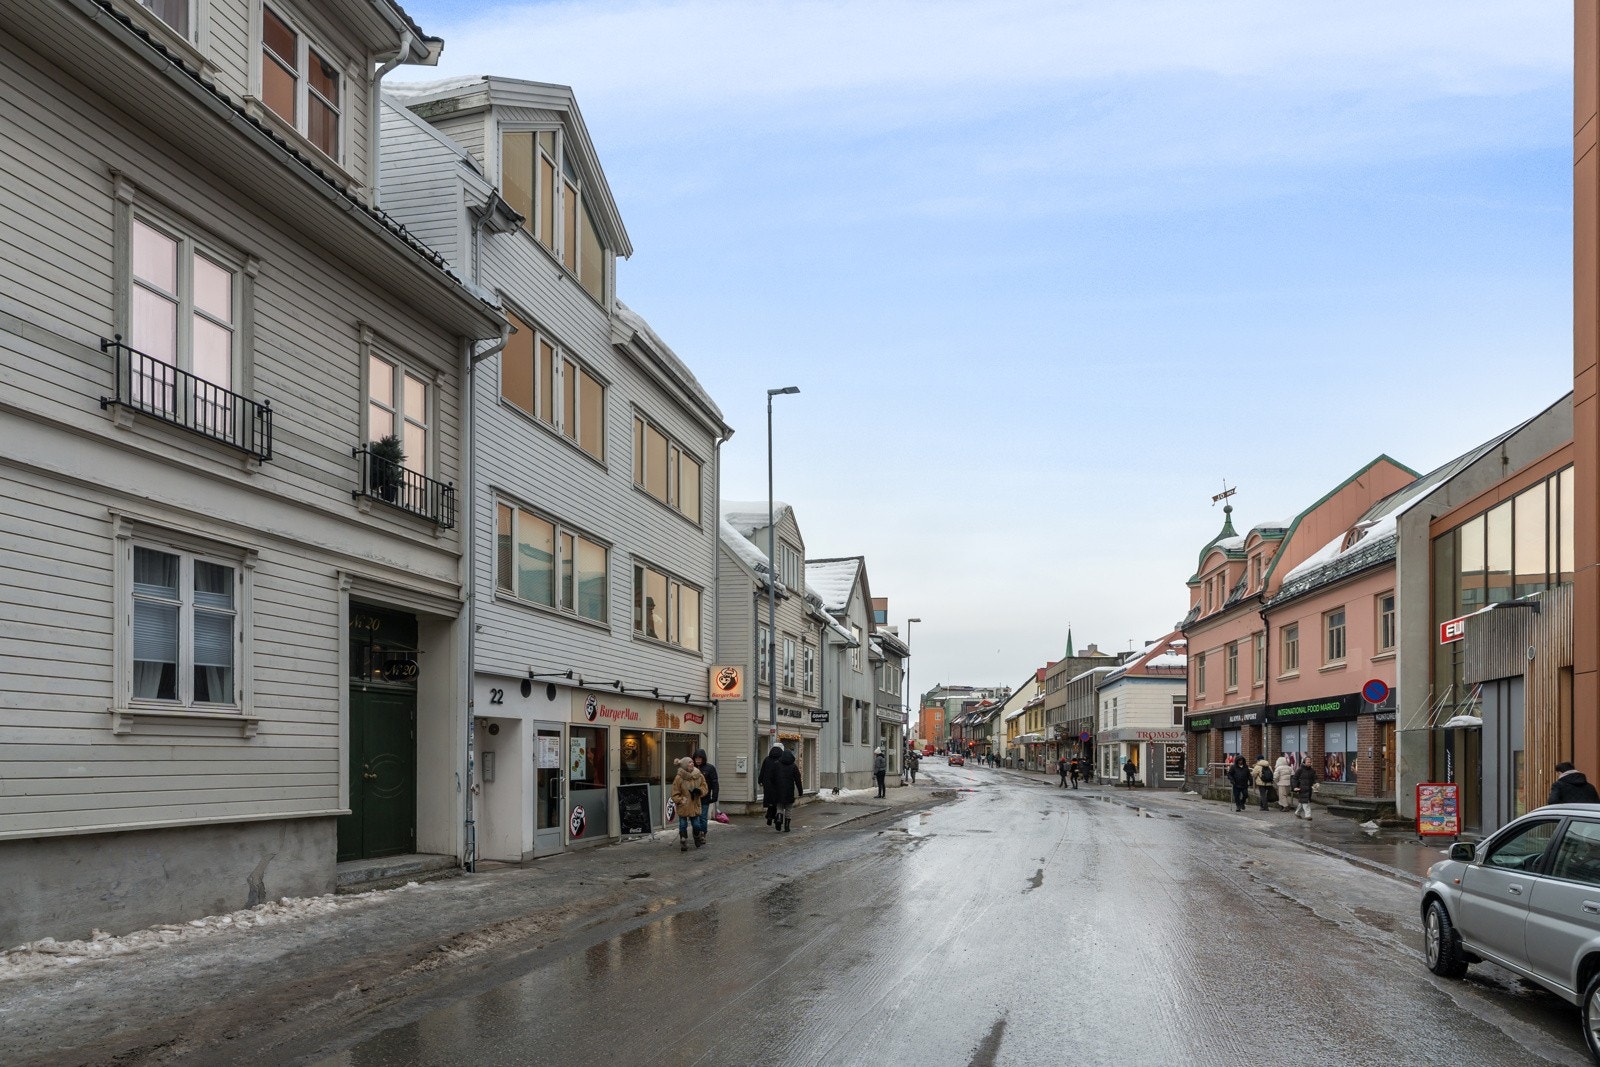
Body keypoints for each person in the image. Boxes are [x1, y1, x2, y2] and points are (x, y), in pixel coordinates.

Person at [670, 756, 707, 852]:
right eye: (689, 762)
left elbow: (704, 787)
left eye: (692, 762)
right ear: (685, 765)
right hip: (684, 805)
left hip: (695, 805)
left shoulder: (699, 775)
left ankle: (697, 837)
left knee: (696, 825)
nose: (692, 763)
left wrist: (699, 791)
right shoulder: (679, 778)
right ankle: (683, 841)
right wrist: (680, 800)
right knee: (683, 825)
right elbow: (674, 793)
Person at [768, 748, 803, 832]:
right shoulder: (794, 766)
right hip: (789, 790)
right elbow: (798, 779)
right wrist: (800, 791)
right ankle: (787, 826)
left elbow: (771, 777)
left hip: (778, 790)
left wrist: (773, 787)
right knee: (788, 808)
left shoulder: (776, 764)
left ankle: (779, 819)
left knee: (779, 806)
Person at [692, 748, 719, 836]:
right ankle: (697, 833)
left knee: (703, 817)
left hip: (705, 797)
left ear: (703, 759)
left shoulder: (710, 768)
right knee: (695, 817)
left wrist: (715, 796)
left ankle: (702, 833)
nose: (698, 760)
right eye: (696, 758)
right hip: (694, 797)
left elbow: (715, 783)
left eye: (700, 758)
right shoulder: (691, 768)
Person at [758, 742, 784, 826]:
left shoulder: (767, 759)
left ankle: (769, 816)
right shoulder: (781, 759)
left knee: (770, 801)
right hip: (778, 783)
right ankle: (776, 818)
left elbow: (762, 770)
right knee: (777, 802)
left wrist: (760, 780)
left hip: (767, 783)